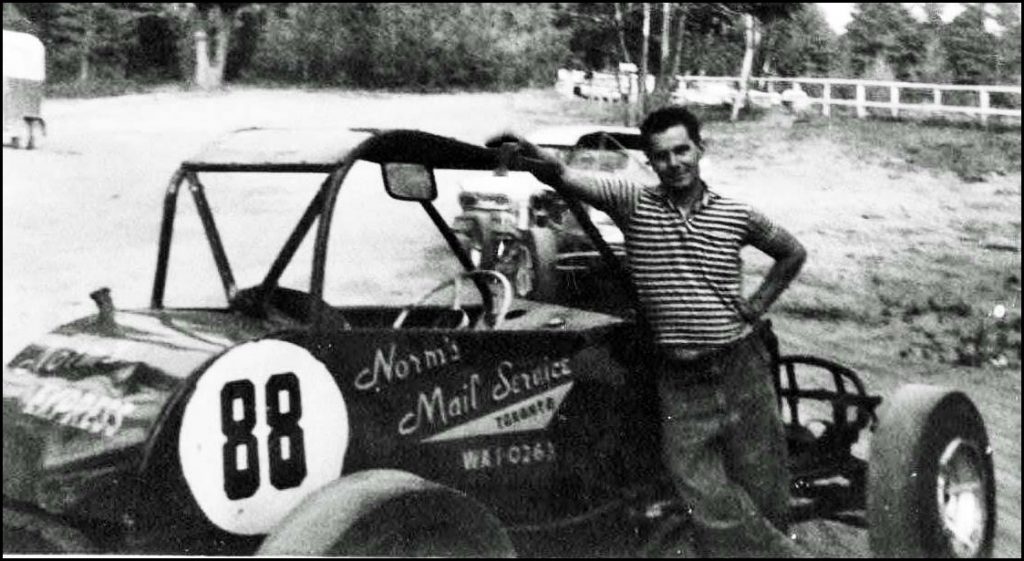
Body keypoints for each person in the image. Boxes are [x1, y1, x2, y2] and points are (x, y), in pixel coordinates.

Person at [492, 105, 808, 557]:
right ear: (652, 162)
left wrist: (758, 304)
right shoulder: (633, 202)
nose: (675, 163)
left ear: (700, 149)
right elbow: (563, 175)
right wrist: (527, 147)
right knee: (705, 498)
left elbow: (792, 253)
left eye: (683, 150)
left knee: (766, 492)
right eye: (662, 156)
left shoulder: (736, 214)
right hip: (681, 384)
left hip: (741, 370)